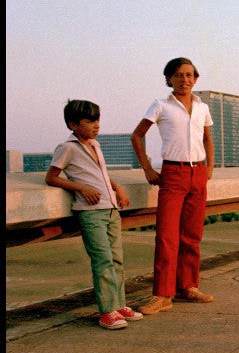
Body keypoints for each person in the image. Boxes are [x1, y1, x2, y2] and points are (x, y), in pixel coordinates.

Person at [45, 100, 142, 330]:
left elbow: (102, 174)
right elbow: (51, 177)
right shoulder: (67, 148)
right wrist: (82, 188)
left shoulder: (95, 145)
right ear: (73, 125)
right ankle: (107, 311)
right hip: (90, 212)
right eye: (89, 121)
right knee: (103, 260)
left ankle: (120, 305)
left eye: (97, 120)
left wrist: (117, 188)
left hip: (110, 209)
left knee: (117, 259)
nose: (96, 125)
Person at [131, 57, 215, 315]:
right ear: (169, 79)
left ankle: (187, 286)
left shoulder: (202, 107)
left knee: (192, 235)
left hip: (197, 174)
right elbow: (137, 136)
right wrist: (148, 169)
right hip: (173, 174)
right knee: (167, 237)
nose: (184, 80)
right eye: (178, 75)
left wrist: (209, 167)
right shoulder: (161, 106)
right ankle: (162, 294)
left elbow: (207, 139)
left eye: (189, 75)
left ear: (196, 78)